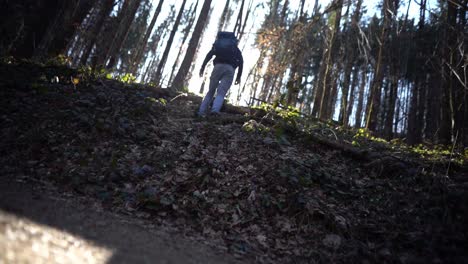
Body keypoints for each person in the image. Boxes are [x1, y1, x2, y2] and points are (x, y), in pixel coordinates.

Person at [198, 32, 243, 116]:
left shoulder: (218, 46)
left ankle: (201, 112)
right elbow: (241, 62)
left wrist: (202, 67)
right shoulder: (235, 49)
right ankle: (214, 110)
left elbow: (209, 55)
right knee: (221, 93)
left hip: (217, 67)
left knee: (210, 92)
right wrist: (238, 76)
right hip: (230, 69)